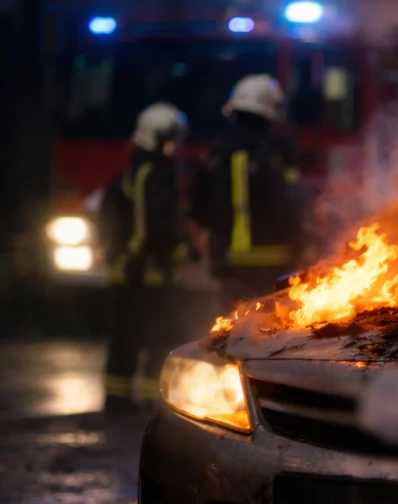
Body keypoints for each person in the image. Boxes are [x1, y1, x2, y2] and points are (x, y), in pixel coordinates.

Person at [98, 102, 189, 413]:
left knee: (136, 338)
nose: (175, 145)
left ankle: (125, 399)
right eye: (171, 137)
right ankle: (126, 401)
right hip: (142, 274)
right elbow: (146, 227)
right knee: (145, 338)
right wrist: (144, 257)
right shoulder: (149, 173)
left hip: (142, 273)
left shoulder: (150, 171)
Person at [191, 74, 303, 311]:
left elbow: (197, 209)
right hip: (273, 265)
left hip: (229, 265)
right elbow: (286, 207)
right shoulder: (274, 156)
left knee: (232, 334)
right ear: (269, 112)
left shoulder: (214, 156)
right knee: (271, 335)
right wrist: (301, 240)